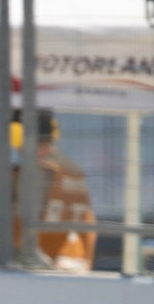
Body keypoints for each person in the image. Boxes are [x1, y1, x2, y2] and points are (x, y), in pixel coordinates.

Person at [11, 109, 98, 271]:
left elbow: (22, 224)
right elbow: (89, 224)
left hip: (44, 262)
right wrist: (87, 261)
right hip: (74, 258)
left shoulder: (36, 172)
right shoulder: (73, 170)